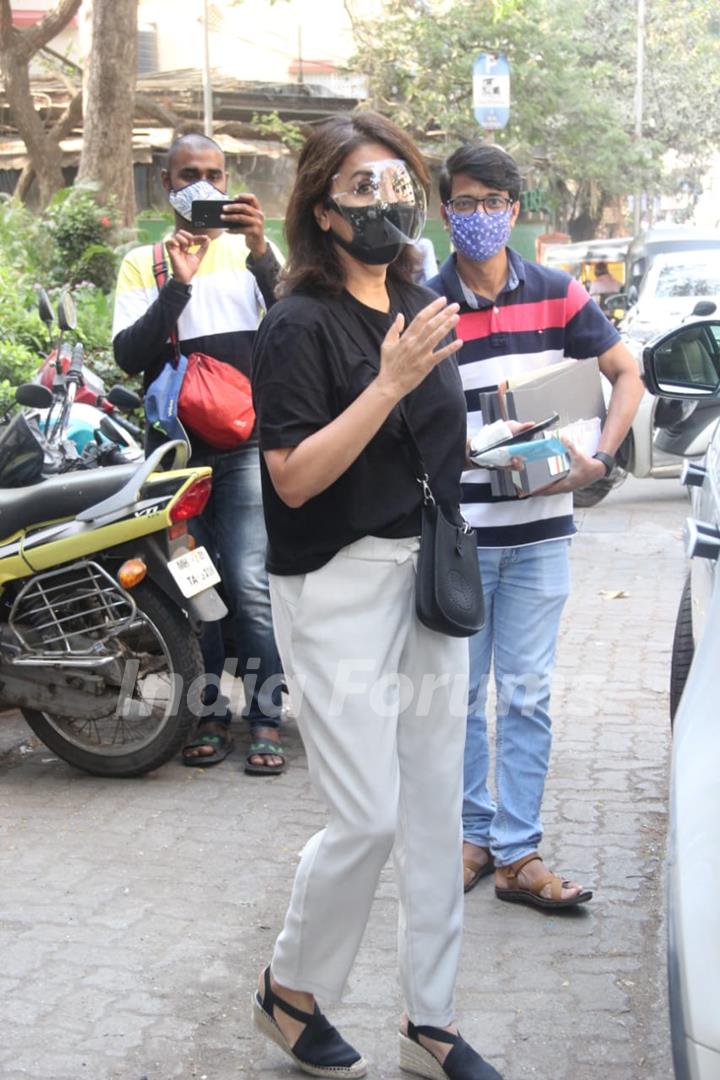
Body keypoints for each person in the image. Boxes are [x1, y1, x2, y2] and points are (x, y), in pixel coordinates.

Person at [250, 112, 503, 1080]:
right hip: (336, 586)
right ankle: (290, 987)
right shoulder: (296, 325)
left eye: (399, 184)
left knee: (437, 809)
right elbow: (297, 478)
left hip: (426, 579)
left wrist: (525, 456)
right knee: (369, 816)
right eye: (364, 187)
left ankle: (429, 1021)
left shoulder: (418, 298)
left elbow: (438, 443)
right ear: (323, 207)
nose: (387, 202)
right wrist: (392, 381)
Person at [427, 144, 643, 910]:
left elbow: (627, 373)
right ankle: (471, 836)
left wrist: (602, 457)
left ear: (515, 210)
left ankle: (519, 852)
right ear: (442, 210)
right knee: (459, 697)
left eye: (493, 202)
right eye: (463, 202)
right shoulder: (425, 305)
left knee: (526, 695)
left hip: (542, 537)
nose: (478, 216)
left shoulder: (557, 293)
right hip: (462, 542)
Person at [112, 132, 286, 776]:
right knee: (196, 589)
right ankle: (209, 714)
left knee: (247, 583)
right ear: (166, 183)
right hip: (176, 459)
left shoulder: (251, 253)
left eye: (214, 173)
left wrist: (264, 251)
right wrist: (176, 288)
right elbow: (129, 356)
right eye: (189, 173)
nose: (203, 184)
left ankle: (265, 715)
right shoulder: (144, 262)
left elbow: (295, 317)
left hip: (244, 448)